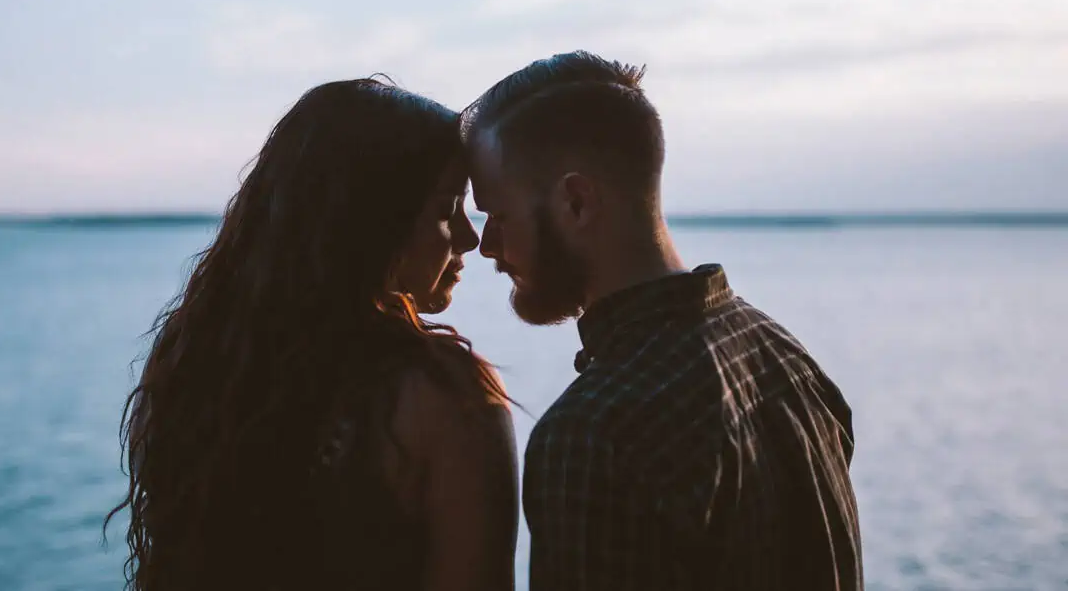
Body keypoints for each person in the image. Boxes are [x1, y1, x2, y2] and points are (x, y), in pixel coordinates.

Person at [462, 51, 863, 590]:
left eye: (497, 216)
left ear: (576, 203)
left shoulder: (595, 434)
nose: (487, 247)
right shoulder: (787, 359)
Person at [106, 78, 519, 591]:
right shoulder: (447, 398)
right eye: (445, 208)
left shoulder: (190, 367)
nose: (469, 237)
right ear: (370, 219)